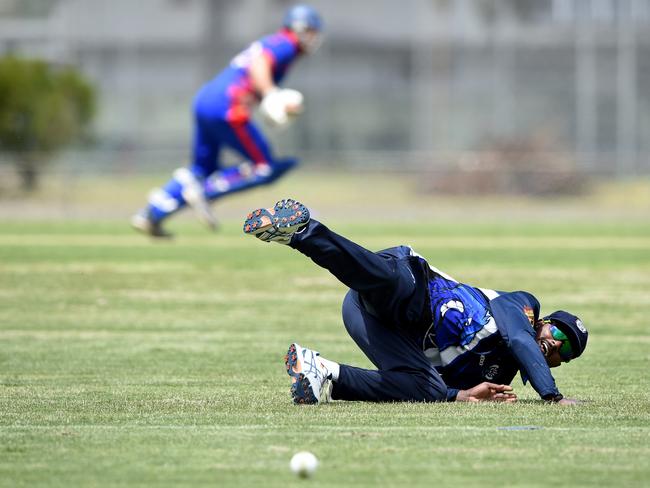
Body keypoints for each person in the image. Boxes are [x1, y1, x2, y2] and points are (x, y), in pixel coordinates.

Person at [243, 198, 589, 405]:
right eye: (558, 334)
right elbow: (518, 338)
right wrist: (552, 397)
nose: (556, 347)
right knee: (381, 279)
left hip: (389, 329)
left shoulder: (498, 373)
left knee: (427, 388)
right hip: (415, 286)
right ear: (543, 322)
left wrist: (460, 396)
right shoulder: (522, 307)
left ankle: (322, 372)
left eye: (567, 352)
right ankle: (300, 232)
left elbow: (437, 381)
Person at [131, 5, 323, 238]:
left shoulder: (278, 42)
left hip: (206, 100)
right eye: (312, 31)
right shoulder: (286, 43)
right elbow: (260, 63)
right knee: (265, 167)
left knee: (202, 168)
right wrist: (273, 94)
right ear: (301, 29)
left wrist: (275, 106)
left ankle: (151, 214)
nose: (314, 38)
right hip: (227, 105)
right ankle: (204, 192)